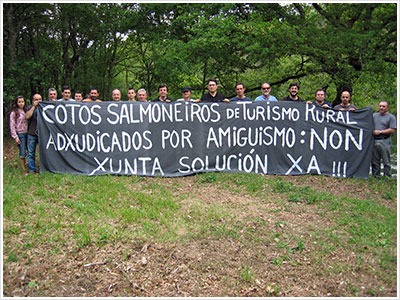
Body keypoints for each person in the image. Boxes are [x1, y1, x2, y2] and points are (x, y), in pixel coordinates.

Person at [371, 100, 397, 177]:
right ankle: (375, 177)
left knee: (386, 161)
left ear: (387, 108)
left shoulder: (391, 117)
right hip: (374, 140)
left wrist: (380, 132)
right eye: (380, 106)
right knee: (375, 161)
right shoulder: (374, 115)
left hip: (385, 140)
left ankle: (387, 177)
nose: (381, 108)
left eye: (383, 106)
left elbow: (392, 129)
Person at [9, 96, 28, 175]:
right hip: (20, 134)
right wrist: (15, 137)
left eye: (22, 101)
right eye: (19, 102)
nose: (21, 103)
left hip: (27, 133)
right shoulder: (14, 113)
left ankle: (29, 166)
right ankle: (24, 169)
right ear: (16, 103)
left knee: (29, 151)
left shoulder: (26, 111)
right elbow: (12, 125)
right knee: (22, 151)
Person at [25, 94, 42, 173]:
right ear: (33, 101)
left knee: (43, 152)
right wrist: (34, 107)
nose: (38, 101)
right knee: (31, 153)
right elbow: (27, 116)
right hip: (32, 133)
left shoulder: (44, 107)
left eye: (39, 99)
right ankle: (32, 169)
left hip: (42, 134)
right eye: (36, 99)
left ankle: (43, 168)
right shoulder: (30, 108)